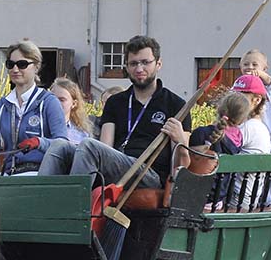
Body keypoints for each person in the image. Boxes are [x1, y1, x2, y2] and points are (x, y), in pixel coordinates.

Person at [41, 35, 192, 189]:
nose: (139, 69)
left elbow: (182, 166)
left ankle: (74, 208)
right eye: (133, 63)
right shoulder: (115, 102)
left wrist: (181, 141)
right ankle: (37, 204)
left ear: (158, 64)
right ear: (126, 67)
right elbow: (106, 147)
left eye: (145, 62)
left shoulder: (176, 105)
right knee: (59, 146)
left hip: (148, 173)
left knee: (88, 146)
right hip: (117, 164)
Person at [0, 40, 66, 175]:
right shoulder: (0, 106)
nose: (15, 69)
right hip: (9, 173)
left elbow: (62, 145)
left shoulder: (49, 102)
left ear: (36, 67)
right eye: (10, 64)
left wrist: (39, 142)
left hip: (41, 173)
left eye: (22, 64)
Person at [230, 74, 271, 154]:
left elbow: (222, 145)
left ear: (257, 100)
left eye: (241, 96)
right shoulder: (247, 124)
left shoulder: (252, 127)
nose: (234, 100)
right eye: (234, 94)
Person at [240, 49, 271, 130]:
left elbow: (269, 81)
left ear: (264, 69)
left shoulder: (264, 84)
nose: (250, 67)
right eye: (245, 64)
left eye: (254, 65)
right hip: (245, 125)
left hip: (264, 126)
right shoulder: (240, 83)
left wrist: (259, 74)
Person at [50, 77, 94, 145]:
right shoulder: (36, 128)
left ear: (74, 104)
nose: (55, 102)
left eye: (62, 100)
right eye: (52, 98)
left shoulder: (81, 135)